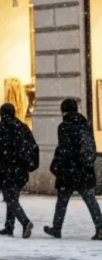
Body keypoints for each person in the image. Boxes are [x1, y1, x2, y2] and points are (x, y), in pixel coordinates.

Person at [44, 98, 102, 240]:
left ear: (63, 110)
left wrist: (58, 165)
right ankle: (100, 228)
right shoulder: (85, 124)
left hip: (69, 170)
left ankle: (56, 228)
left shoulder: (64, 126)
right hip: (85, 169)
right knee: (90, 200)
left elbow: (64, 149)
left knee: (62, 201)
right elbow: (91, 146)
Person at [0, 102, 38, 238]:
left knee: (10, 198)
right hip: (20, 169)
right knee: (13, 197)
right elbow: (33, 147)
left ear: (2, 114)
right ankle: (9, 226)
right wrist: (31, 164)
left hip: (5, 169)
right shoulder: (23, 127)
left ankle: (25, 222)